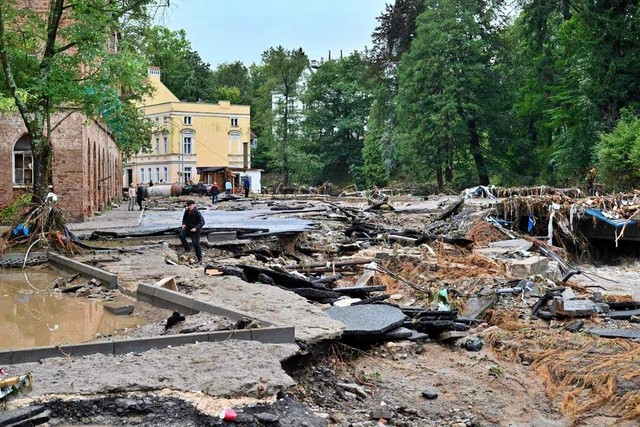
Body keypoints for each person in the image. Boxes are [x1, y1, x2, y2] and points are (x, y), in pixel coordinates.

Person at [179, 200, 205, 264]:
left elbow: (202, 222)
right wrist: (183, 224)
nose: (189, 207)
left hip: (195, 230)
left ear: (193, 205)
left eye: (190, 205)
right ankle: (187, 249)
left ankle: (199, 259)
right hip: (188, 228)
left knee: (196, 244)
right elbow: (184, 219)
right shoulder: (186, 211)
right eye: (188, 206)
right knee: (181, 235)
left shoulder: (197, 212)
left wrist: (196, 228)